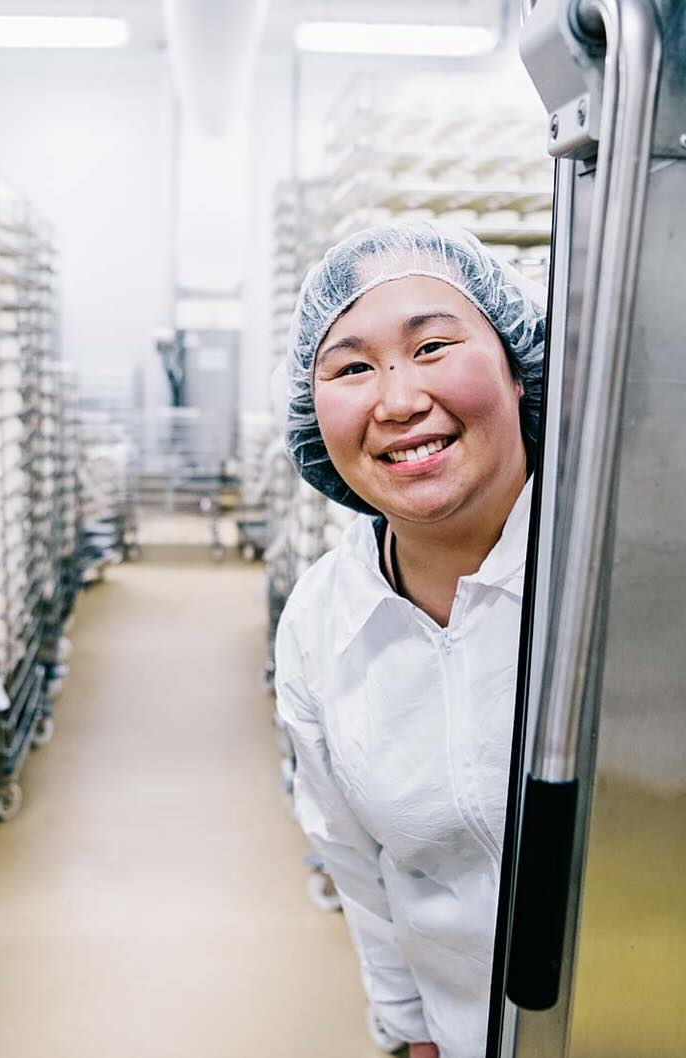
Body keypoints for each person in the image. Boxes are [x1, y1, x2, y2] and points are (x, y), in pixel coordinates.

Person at [274, 221, 545, 1058]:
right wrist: (407, 1033)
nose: (395, 401)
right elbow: (360, 870)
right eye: (351, 367)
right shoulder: (322, 623)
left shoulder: (632, 572)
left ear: (514, 363)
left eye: (432, 347)